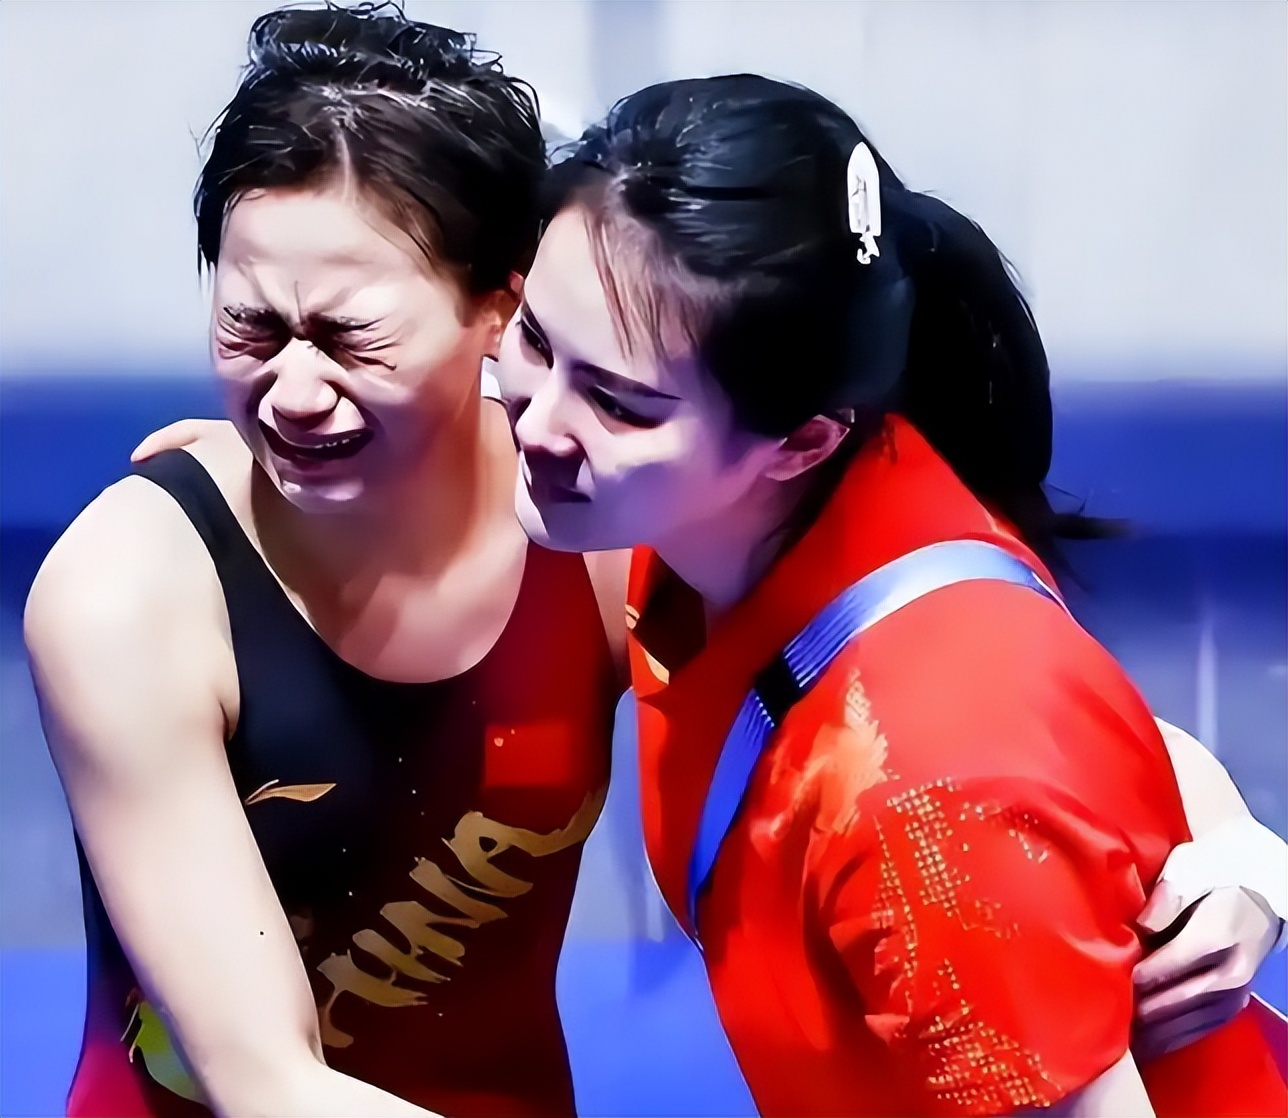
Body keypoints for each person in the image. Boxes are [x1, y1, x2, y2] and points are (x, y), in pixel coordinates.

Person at [489, 75, 1288, 1115]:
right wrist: (1239, 849)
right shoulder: (732, 500)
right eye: (535, 339)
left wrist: (1252, 862)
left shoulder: (925, 794)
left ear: (802, 440)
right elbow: (1087, 749)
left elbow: (984, 764)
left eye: (618, 404)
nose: (534, 421)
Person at [22, 6, 624, 1116]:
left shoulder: (593, 529)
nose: (292, 393)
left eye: (353, 339)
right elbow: (266, 1081)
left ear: (501, 307)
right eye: (252, 330)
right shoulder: (128, 590)